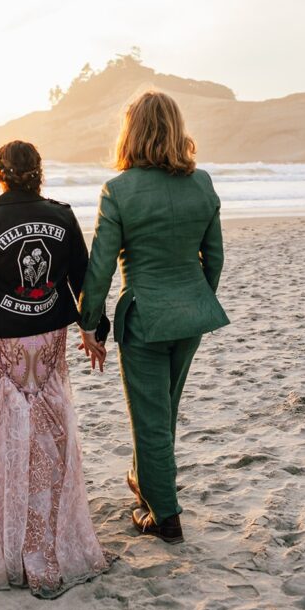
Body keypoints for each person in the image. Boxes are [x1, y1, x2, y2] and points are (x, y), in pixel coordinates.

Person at [0, 140, 115, 598]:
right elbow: (82, 278)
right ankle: (41, 548)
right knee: (48, 441)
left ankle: (6, 551)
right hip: (48, 340)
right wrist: (96, 328)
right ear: (39, 171)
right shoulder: (61, 216)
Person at [78, 91, 230, 544]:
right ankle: (145, 483)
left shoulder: (119, 190)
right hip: (190, 314)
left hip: (145, 319)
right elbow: (215, 258)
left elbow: (101, 266)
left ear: (132, 132)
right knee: (164, 412)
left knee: (150, 421)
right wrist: (195, 301)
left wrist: (89, 321)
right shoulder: (201, 183)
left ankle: (165, 517)